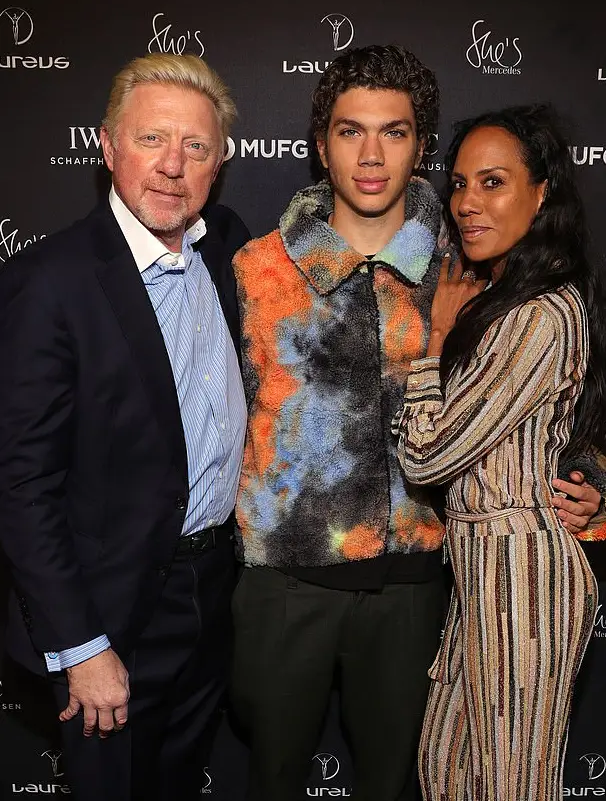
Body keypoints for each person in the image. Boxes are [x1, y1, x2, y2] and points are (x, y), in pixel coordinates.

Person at [230, 46, 601, 801]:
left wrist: (592, 475)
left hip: (419, 585)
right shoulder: (253, 269)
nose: (371, 155)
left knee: (408, 779)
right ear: (320, 145)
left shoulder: (469, 263)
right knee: (269, 776)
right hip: (286, 580)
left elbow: (561, 391)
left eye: (394, 132)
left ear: (421, 145)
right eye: (350, 131)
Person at [0, 53, 250, 801]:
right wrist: (81, 647)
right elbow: (21, 482)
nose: (173, 166)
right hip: (108, 614)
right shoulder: (49, 283)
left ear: (219, 163)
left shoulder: (229, 246)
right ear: (107, 146)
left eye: (196, 147)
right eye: (152, 140)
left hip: (214, 592)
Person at [394, 104, 606, 800]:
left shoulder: (540, 315)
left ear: (542, 192)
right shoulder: (508, 301)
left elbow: (426, 458)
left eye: (492, 183)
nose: (466, 203)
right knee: (447, 773)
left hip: (524, 574)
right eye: (459, 183)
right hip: (482, 569)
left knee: (512, 785)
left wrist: (430, 345)